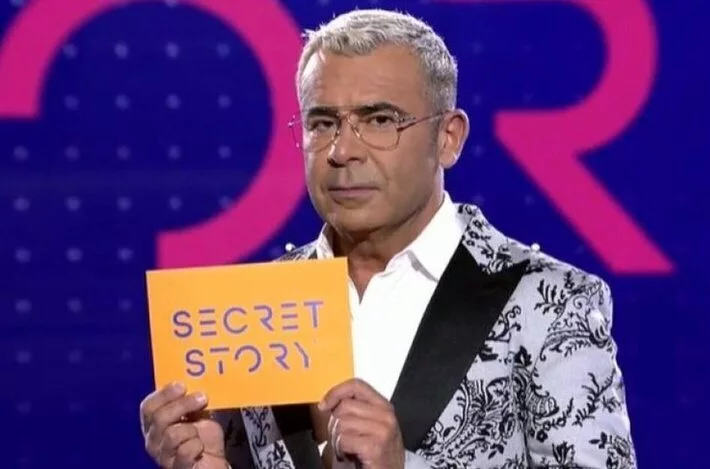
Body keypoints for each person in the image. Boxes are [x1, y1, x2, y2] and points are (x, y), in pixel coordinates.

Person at [139, 8, 637, 469]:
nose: (342, 150)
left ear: (448, 138)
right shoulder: (251, 310)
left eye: (380, 120)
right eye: (323, 123)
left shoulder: (550, 302)